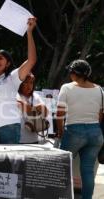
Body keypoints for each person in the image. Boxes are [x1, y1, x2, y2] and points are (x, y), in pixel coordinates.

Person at [0, 17, 37, 144]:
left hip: (9, 128)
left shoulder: (13, 77)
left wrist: (29, 32)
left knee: (9, 164)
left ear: (8, 63)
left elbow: (32, 60)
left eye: (0, 58)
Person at [56, 59, 104, 199]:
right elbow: (101, 114)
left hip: (74, 131)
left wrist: (60, 131)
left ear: (74, 73)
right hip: (95, 132)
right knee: (88, 170)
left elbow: (60, 114)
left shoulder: (67, 88)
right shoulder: (99, 89)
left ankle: (61, 196)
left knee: (62, 168)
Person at [17, 74, 48, 144]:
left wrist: (43, 108)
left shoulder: (36, 96)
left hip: (34, 138)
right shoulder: (16, 96)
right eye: (26, 82)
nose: (29, 86)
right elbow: (27, 110)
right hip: (18, 139)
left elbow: (46, 114)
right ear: (20, 84)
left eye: (31, 83)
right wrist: (36, 108)